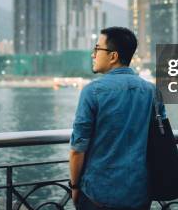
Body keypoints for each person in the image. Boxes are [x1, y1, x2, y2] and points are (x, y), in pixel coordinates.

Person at [69, 26, 164, 209]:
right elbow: (159, 137)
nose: (93, 54)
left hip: (97, 195)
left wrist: (74, 186)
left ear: (113, 56)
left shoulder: (92, 91)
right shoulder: (152, 91)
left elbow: (77, 150)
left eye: (97, 49)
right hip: (139, 194)